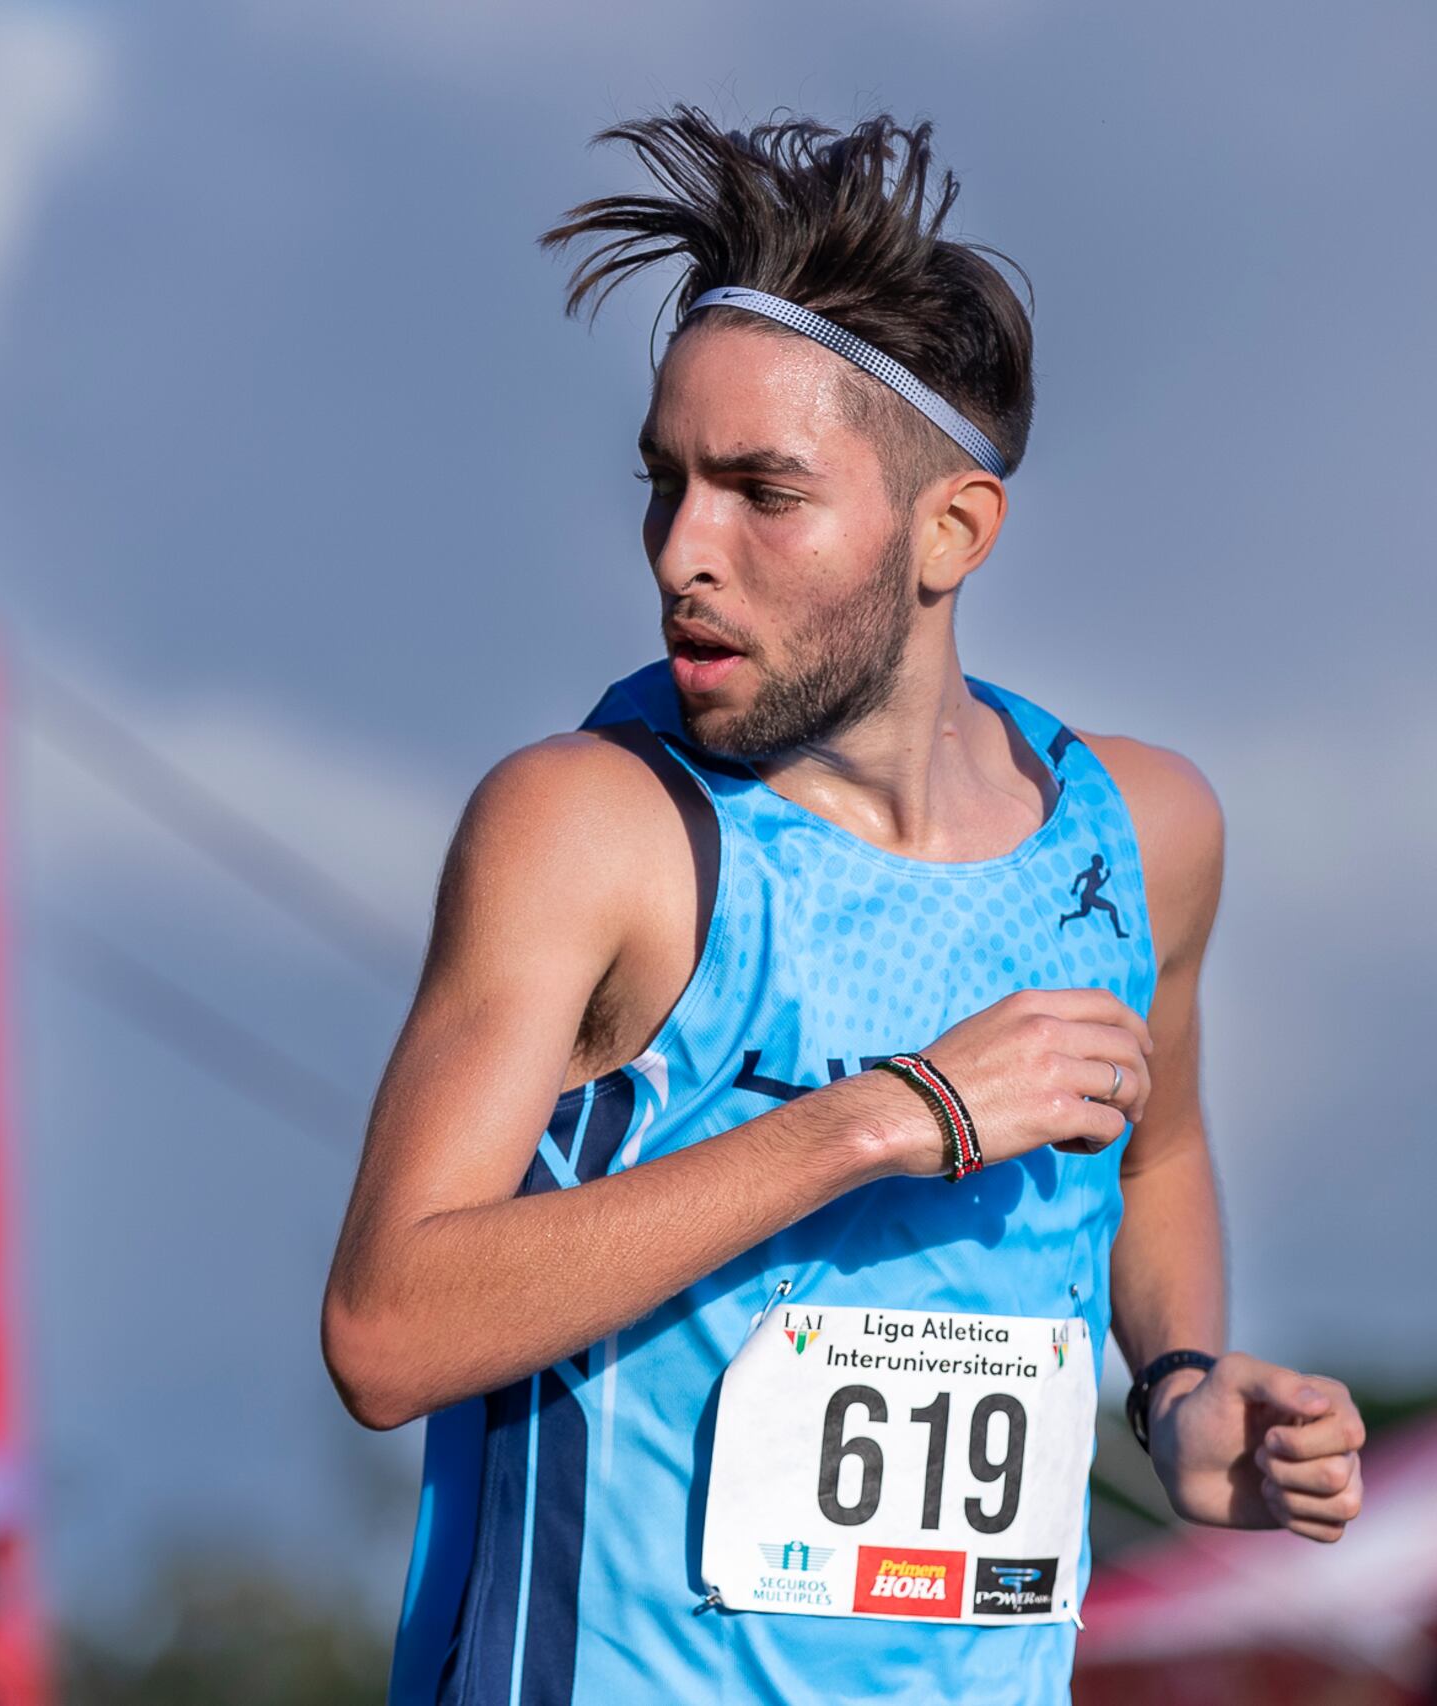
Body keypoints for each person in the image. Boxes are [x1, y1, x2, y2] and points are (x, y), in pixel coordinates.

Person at [319, 105, 1368, 1706]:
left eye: (762, 490)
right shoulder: (598, 828)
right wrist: (888, 1117)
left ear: (952, 529)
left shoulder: (1144, 832)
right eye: (664, 483)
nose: (684, 550)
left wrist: (1179, 1389)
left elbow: (1155, 1149)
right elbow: (387, 1327)